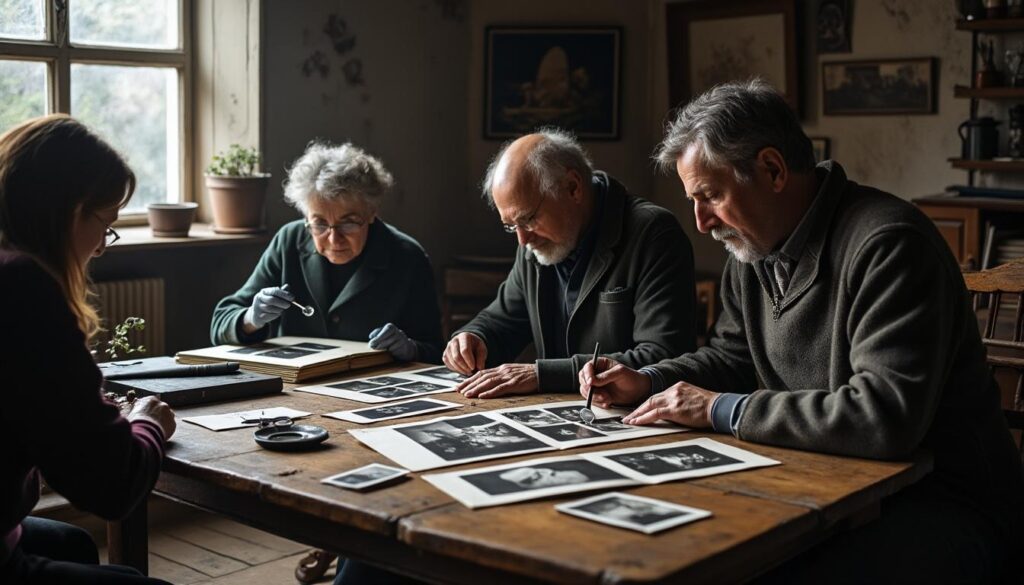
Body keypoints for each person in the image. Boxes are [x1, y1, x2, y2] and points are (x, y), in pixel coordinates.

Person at [580, 79, 1024, 583]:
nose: (700, 223)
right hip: (825, 485)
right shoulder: (751, 249)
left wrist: (718, 408)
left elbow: (882, 418)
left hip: (945, 505)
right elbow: (734, 358)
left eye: (710, 196)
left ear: (771, 170)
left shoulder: (889, 245)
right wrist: (648, 379)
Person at [0, 114, 176, 584]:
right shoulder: (22, 287)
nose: (101, 247)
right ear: (73, 210)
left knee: (74, 543)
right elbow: (111, 486)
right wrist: (147, 424)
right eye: (107, 223)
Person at [444, 128, 697, 398]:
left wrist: (543, 375)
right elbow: (503, 320)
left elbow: (663, 356)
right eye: (511, 226)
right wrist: (474, 338)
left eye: (528, 218)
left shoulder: (653, 234)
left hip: (631, 417)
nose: (522, 239)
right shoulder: (536, 242)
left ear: (573, 187)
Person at [211, 141, 443, 363]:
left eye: (348, 223)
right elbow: (220, 323)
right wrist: (251, 318)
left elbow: (435, 349)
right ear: (306, 216)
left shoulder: (407, 256)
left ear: (372, 212)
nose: (333, 238)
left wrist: (410, 348)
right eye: (319, 224)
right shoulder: (289, 240)